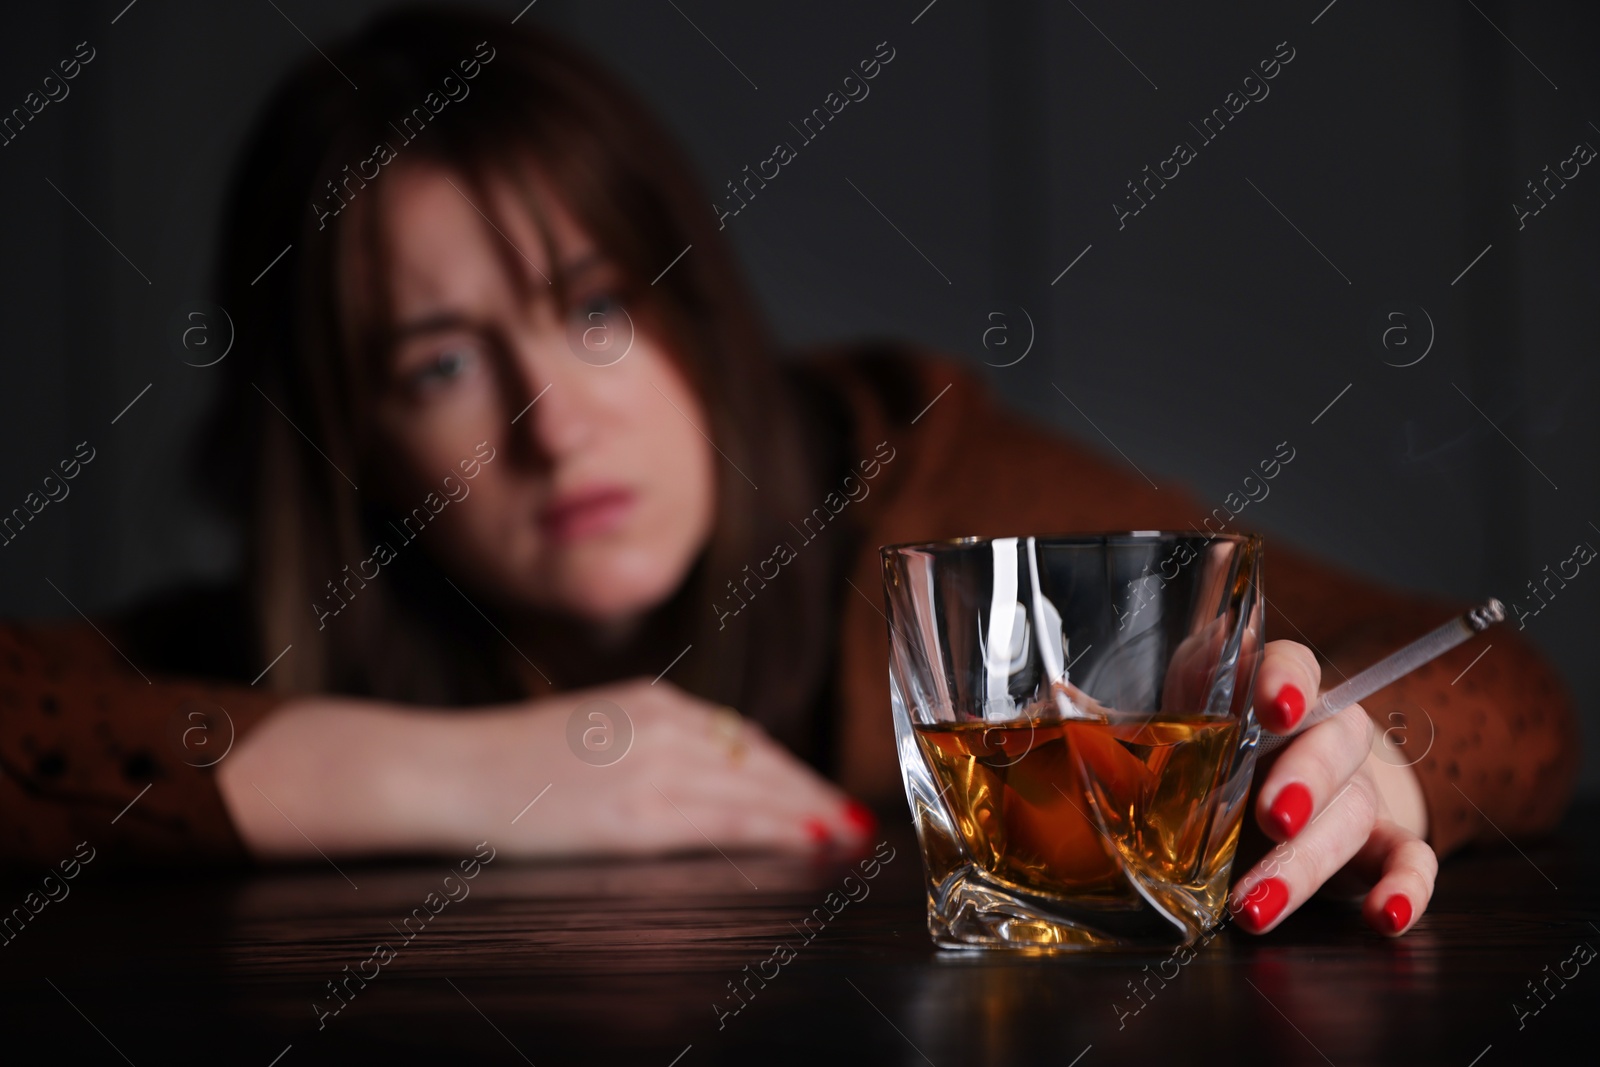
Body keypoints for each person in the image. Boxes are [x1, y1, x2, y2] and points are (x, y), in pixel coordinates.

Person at [0, 7, 1578, 941]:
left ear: (689, 313)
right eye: (438, 364)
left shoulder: (930, 495)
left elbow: (1505, 690)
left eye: (595, 309)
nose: (553, 422)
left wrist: (1361, 758)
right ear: (347, 445)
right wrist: (456, 774)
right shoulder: (294, 635)